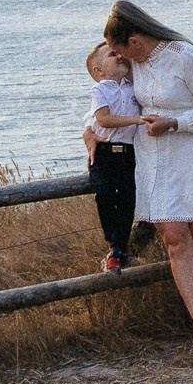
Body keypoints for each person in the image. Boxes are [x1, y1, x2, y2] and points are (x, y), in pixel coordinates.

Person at [102, 0, 193, 371]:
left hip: (191, 155)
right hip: (154, 161)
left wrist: (175, 122)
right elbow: (103, 90)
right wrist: (90, 133)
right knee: (176, 240)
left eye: (120, 50)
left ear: (136, 41)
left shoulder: (184, 56)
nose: (119, 57)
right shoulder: (131, 63)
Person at [82, 44, 146, 272]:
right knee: (106, 196)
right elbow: (103, 120)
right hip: (105, 153)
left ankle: (121, 246)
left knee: (128, 197)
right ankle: (114, 246)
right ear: (99, 71)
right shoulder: (100, 90)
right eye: (112, 55)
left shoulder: (133, 86)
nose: (119, 56)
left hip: (129, 153)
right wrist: (137, 120)